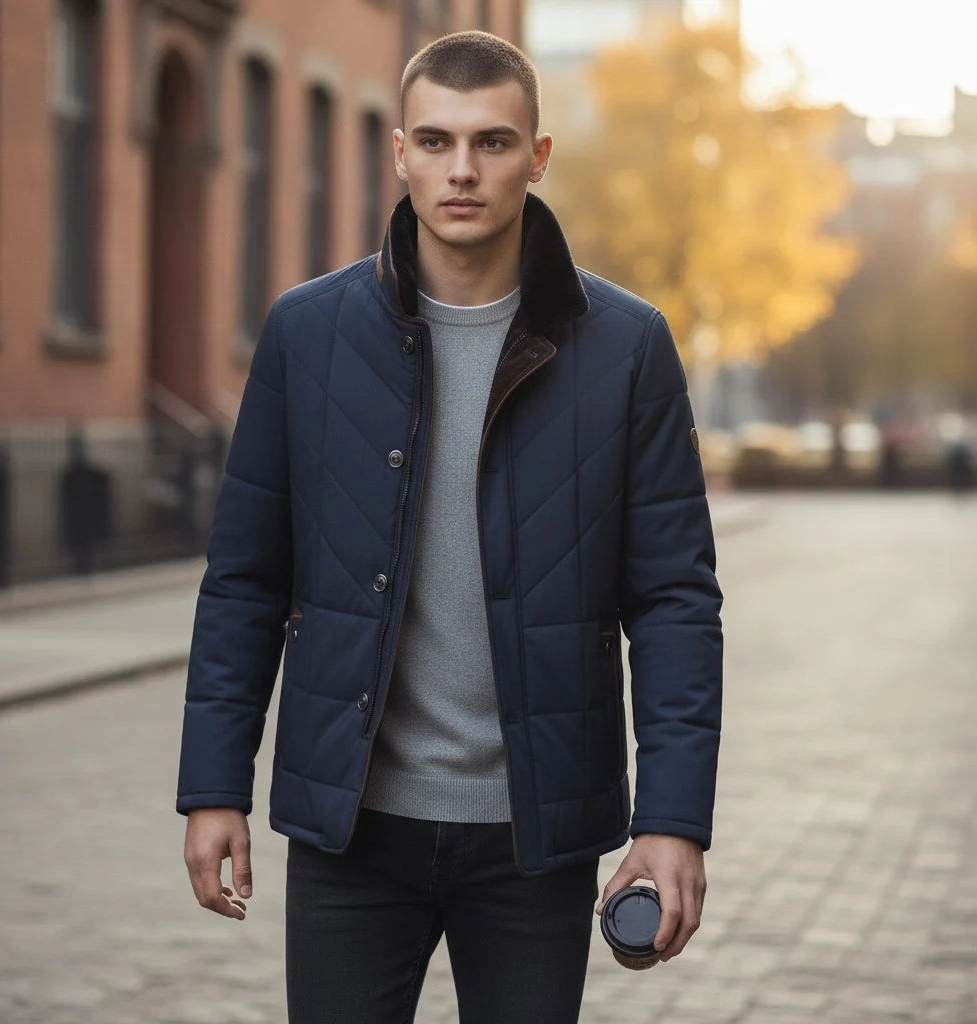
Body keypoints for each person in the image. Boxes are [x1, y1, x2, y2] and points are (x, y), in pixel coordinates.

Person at [177, 30, 723, 1024]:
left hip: (534, 838)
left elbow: (674, 600)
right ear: (399, 154)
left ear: (537, 156)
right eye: (434, 141)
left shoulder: (627, 347)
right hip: (353, 834)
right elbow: (245, 580)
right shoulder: (307, 333)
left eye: (491, 142)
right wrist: (213, 787)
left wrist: (673, 821)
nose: (461, 169)